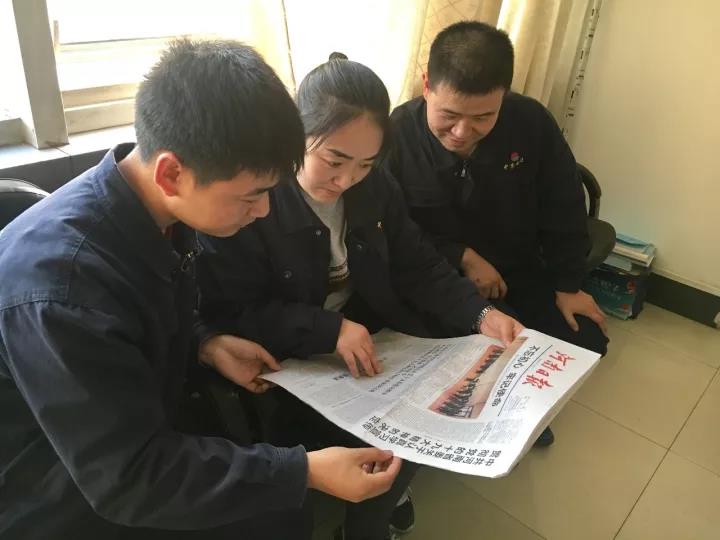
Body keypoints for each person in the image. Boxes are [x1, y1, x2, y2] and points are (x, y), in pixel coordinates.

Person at [0, 40, 403, 540]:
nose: (263, 211)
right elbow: (129, 478)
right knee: (279, 509)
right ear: (172, 172)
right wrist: (304, 471)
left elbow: (140, 321)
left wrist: (204, 343)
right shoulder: (62, 288)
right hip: (61, 487)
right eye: (252, 196)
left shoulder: (154, 205)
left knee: (283, 509)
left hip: (133, 425)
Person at [196, 53, 524, 540]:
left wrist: (480, 313)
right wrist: (328, 329)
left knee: (428, 414)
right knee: (383, 438)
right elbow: (234, 311)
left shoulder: (376, 188)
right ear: (296, 136)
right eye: (334, 160)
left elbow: (416, 262)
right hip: (289, 354)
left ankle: (373, 514)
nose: (346, 179)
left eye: (365, 164)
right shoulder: (256, 198)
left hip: (371, 334)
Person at [387, 21, 609, 364]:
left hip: (519, 269)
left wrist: (568, 285)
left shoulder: (531, 122)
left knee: (583, 345)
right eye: (449, 115)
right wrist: (461, 256)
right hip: (442, 276)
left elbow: (564, 204)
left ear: (504, 95)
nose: (462, 132)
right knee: (491, 359)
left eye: (483, 117)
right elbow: (392, 229)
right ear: (427, 85)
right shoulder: (397, 134)